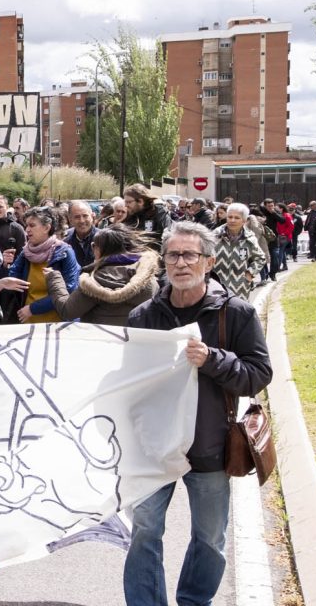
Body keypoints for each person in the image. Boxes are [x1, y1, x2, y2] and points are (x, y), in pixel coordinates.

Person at [124, 221, 273, 606]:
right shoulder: (144, 316)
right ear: (164, 263)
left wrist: (213, 360)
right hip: (154, 449)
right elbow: (127, 381)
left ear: (208, 262)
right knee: (143, 531)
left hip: (209, 448)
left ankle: (194, 600)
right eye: (173, 255)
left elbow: (259, 374)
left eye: (190, 255)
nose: (181, 263)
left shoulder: (235, 314)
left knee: (209, 538)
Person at [45, 225, 158, 325]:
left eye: (94, 246)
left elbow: (67, 311)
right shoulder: (148, 276)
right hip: (134, 343)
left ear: (98, 249)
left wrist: (54, 278)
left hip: (101, 343)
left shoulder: (95, 281)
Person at [0, 207, 80, 324]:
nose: (27, 230)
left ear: (47, 228)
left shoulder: (65, 252)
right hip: (30, 322)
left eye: (32, 225)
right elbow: (13, 281)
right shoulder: (25, 252)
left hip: (59, 323)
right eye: (26, 225)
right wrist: (5, 266)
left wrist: (34, 309)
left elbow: (69, 289)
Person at [212, 203, 268, 298]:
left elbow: (261, 258)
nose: (232, 220)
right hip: (216, 287)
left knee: (238, 312)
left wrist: (250, 273)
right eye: (230, 217)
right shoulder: (215, 236)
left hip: (240, 288)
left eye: (237, 218)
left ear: (244, 220)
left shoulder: (249, 238)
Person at [123, 184, 174, 250]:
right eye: (125, 202)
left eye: (129, 202)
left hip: (155, 256)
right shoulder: (131, 215)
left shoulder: (158, 212)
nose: (126, 205)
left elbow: (167, 234)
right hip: (134, 256)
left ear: (140, 201)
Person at [63, 200, 98, 267]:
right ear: (70, 220)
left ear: (92, 217)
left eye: (85, 216)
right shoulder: (65, 241)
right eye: (77, 217)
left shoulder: (104, 239)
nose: (82, 221)